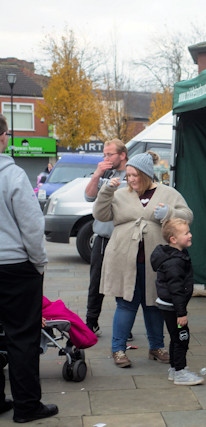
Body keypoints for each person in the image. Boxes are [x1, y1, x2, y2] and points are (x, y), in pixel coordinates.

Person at [93, 151, 193, 368]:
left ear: (147, 174)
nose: (130, 179)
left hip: (155, 262)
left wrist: (169, 212)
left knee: (154, 305)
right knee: (126, 304)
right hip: (123, 259)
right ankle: (118, 350)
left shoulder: (167, 193)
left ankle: (156, 347)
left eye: (135, 175)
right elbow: (100, 215)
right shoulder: (119, 194)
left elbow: (188, 215)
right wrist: (106, 191)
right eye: (128, 175)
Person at [0, 114, 59, 422]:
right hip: (14, 266)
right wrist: (39, 263)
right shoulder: (12, 175)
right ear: (3, 137)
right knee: (22, 337)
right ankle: (26, 406)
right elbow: (32, 226)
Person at [150, 218, 204, 386]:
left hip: (169, 305)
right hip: (173, 307)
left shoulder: (177, 255)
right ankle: (180, 372)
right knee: (182, 338)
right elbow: (176, 289)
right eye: (186, 233)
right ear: (173, 239)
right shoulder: (174, 262)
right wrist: (181, 313)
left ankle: (175, 369)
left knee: (175, 338)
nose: (190, 235)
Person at [84, 139, 128, 337]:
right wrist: (97, 174)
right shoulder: (105, 174)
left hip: (124, 238)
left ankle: (124, 327)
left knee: (125, 284)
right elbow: (89, 197)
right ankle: (91, 323)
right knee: (96, 283)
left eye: (109, 154)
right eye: (104, 155)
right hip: (103, 238)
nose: (106, 158)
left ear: (122, 155)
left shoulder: (133, 174)